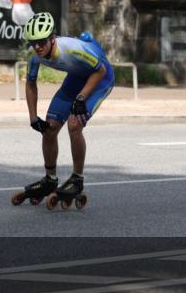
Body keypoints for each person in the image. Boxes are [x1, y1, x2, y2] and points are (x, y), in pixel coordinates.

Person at [11, 12, 114, 209]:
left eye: (41, 42)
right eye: (33, 43)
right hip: (76, 79)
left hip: (100, 79)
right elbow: (30, 84)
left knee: (74, 125)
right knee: (48, 129)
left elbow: (100, 70)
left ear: (52, 38)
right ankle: (50, 178)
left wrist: (81, 98)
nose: (38, 47)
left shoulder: (71, 49)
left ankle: (77, 178)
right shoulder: (35, 57)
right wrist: (33, 117)